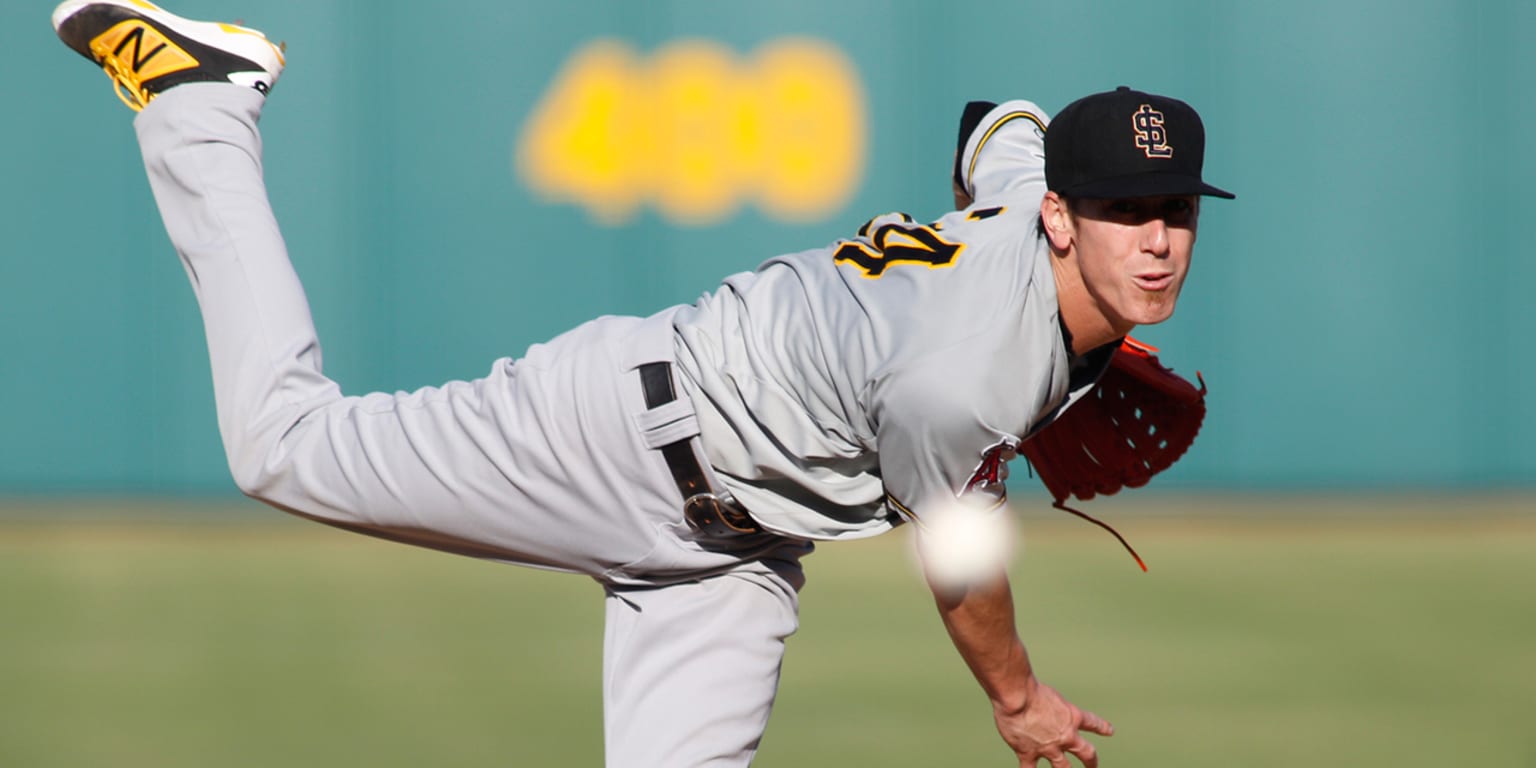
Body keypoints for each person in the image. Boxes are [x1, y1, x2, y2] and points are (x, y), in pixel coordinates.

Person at [52, 2, 1234, 766]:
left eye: (1175, 212)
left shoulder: (1022, 193)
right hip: (618, 433)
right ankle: (202, 101)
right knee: (282, 448)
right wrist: (1020, 701)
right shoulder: (968, 377)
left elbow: (1003, 124)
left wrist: (1015, 262)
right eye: (1126, 212)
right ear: (1061, 215)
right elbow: (964, 570)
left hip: (735, 554)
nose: (1157, 241)